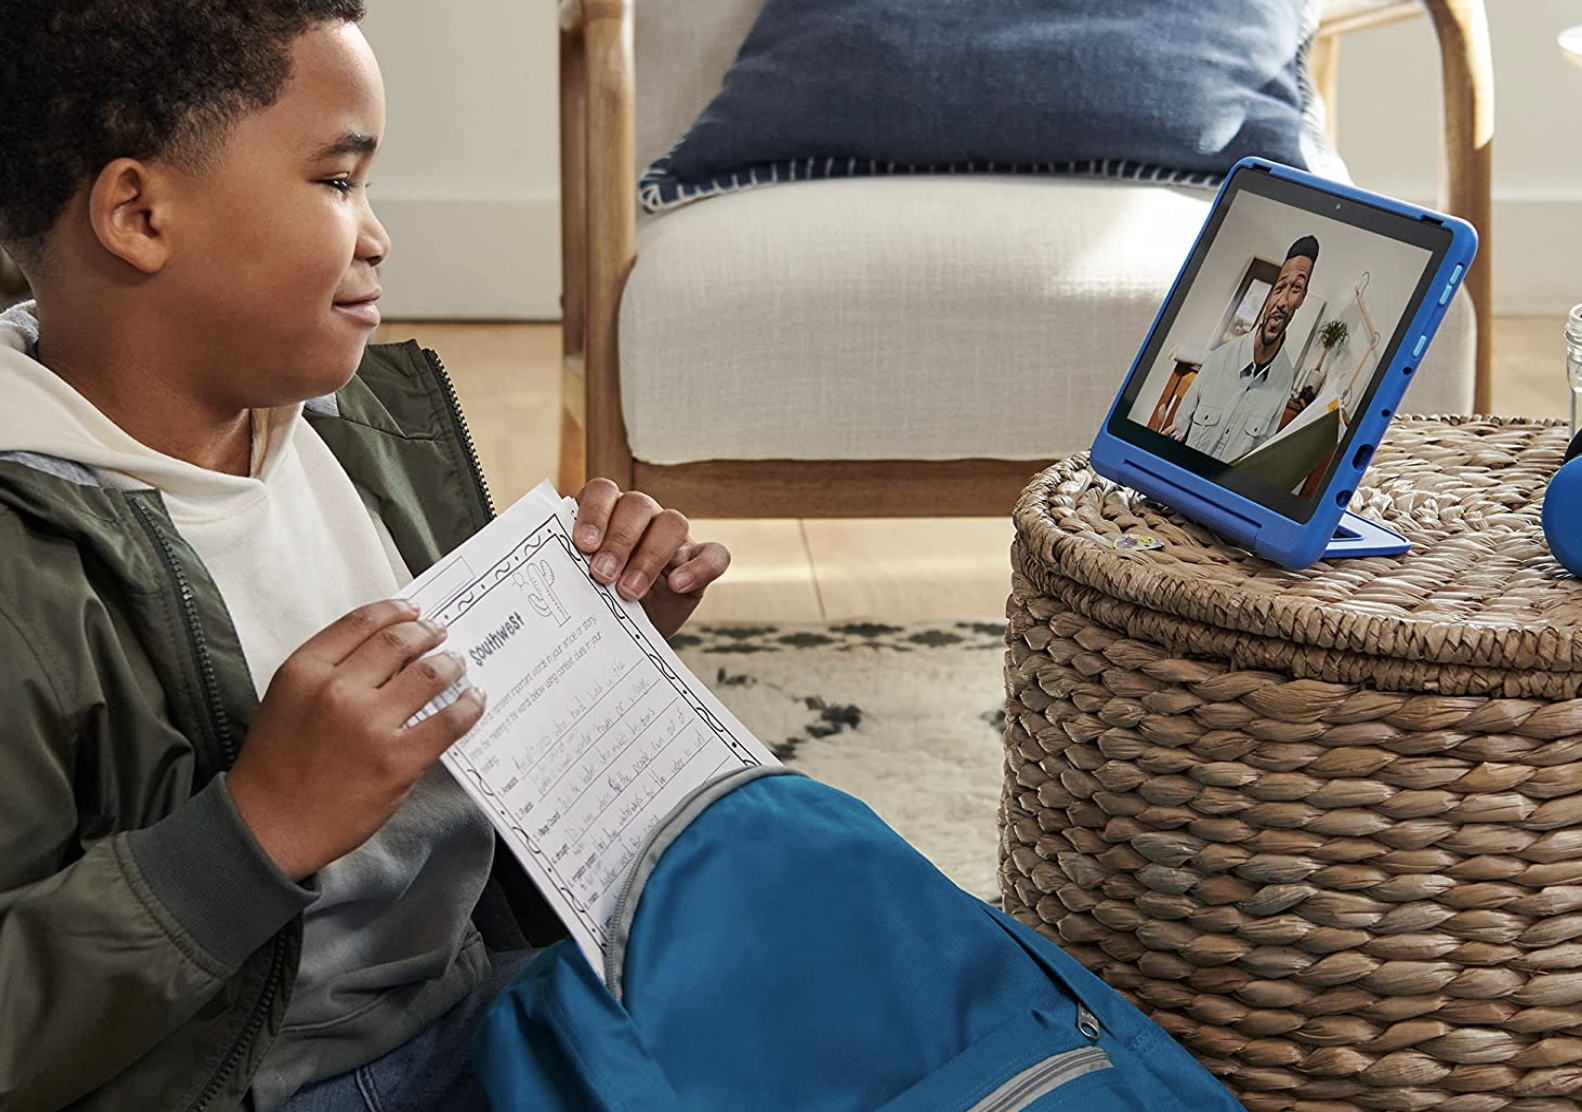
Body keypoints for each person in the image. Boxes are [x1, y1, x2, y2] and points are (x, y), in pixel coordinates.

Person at [0, 5, 731, 1110]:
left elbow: (466, 833)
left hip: (478, 1007)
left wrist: (588, 647)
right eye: (338, 183)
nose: (379, 236)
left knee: (838, 975)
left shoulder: (367, 432)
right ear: (139, 212)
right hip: (258, 1083)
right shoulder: (24, 568)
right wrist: (254, 829)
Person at [1164, 235, 1320, 463]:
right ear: (1270, 293)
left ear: (1302, 298)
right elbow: (1175, 437)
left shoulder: (1284, 380)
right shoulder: (1219, 359)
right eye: (1280, 287)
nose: (1283, 301)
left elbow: (1257, 463)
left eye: (1296, 288)